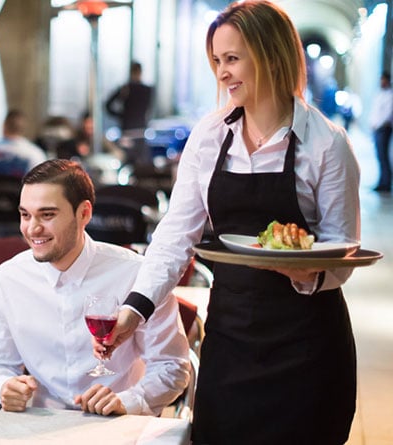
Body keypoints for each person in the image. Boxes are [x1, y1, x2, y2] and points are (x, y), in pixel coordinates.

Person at [100, 2, 360, 444]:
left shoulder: (326, 145)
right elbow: (175, 235)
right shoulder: (209, 135)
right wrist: (134, 309)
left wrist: (308, 272)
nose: (222, 72)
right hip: (231, 337)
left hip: (308, 345)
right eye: (217, 61)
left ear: (272, 55)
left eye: (233, 58)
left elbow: (343, 250)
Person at [0, 159, 190, 416]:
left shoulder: (138, 275)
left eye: (47, 215)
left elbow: (171, 367)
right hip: (39, 426)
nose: (32, 228)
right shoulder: (6, 280)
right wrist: (3, 386)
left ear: (84, 214)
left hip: (118, 428)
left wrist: (127, 401)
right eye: (25, 215)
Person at [105, 62, 153, 132]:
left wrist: (122, 116)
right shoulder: (147, 90)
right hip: (140, 128)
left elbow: (108, 105)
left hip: (129, 128)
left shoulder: (126, 88)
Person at [369, 71, 393, 192]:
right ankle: (381, 181)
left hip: (384, 129)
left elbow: (388, 114)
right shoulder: (379, 94)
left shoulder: (390, 95)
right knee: (379, 155)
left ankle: (386, 183)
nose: (381, 82)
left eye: (383, 79)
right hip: (377, 129)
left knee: (383, 156)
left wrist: (378, 125)